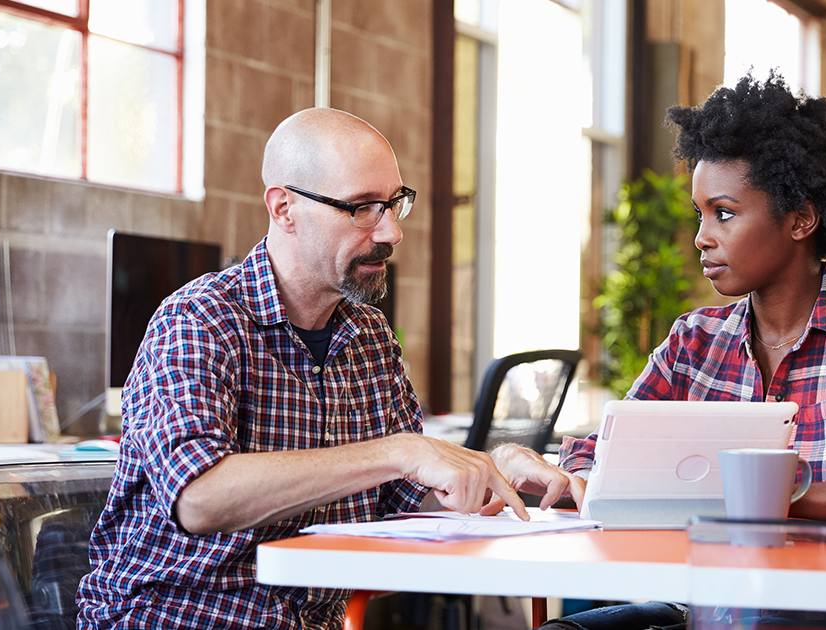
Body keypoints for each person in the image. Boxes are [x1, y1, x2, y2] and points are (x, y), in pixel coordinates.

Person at [496, 72, 826, 630]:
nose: (701, 236)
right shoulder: (693, 344)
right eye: (700, 214)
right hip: (709, 609)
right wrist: (543, 470)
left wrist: (781, 496)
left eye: (724, 212)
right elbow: (598, 462)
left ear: (800, 219)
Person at [76, 108, 580, 630]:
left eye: (393, 205)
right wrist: (398, 451)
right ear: (284, 207)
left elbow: (404, 491)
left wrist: (489, 469)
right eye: (362, 208)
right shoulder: (200, 319)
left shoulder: (370, 337)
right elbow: (199, 499)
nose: (390, 232)